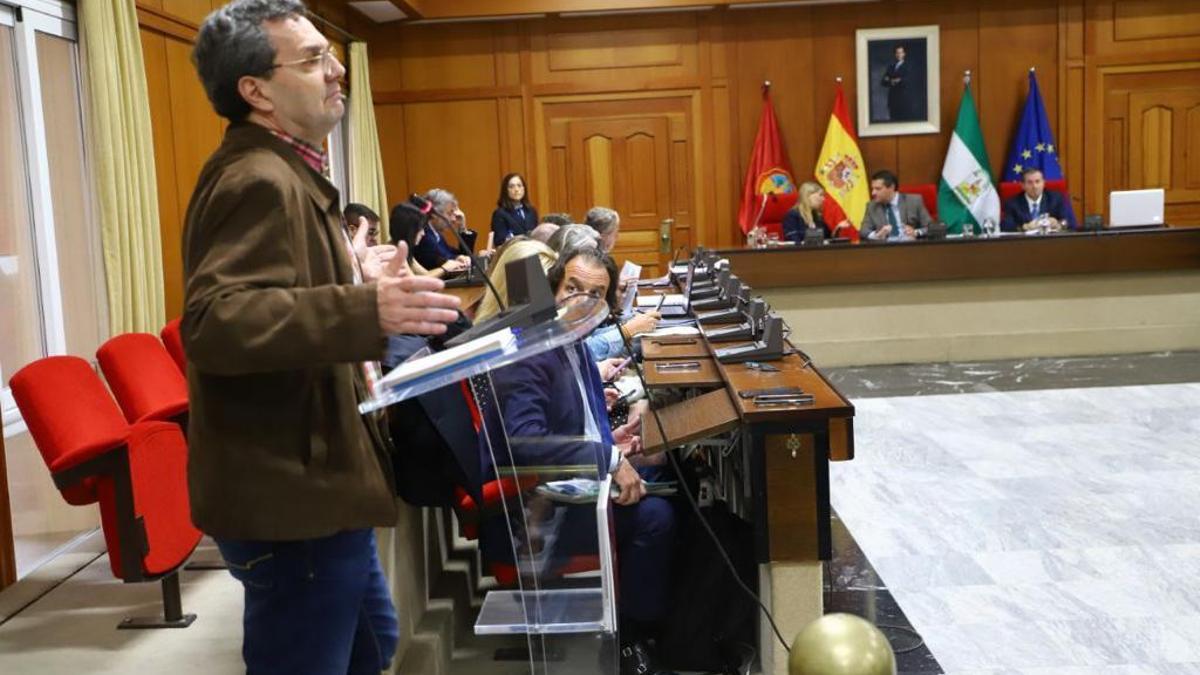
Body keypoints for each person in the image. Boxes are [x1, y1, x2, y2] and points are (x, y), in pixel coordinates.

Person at [184, 2, 461, 673]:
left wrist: (351, 269)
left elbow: (281, 293)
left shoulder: (285, 172)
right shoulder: (258, 179)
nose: (337, 70)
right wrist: (363, 306)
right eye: (312, 59)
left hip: (323, 485)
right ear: (256, 90)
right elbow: (216, 322)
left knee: (373, 645)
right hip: (291, 498)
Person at [483, 246, 675, 675]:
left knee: (679, 473)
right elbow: (523, 444)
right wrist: (605, 456)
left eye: (595, 293)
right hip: (534, 515)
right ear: (553, 290)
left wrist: (614, 441)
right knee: (658, 517)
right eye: (572, 287)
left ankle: (684, 630)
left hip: (572, 488)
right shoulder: (530, 350)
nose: (580, 300)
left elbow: (577, 423)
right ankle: (634, 640)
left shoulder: (573, 343)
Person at [389, 196, 469, 279]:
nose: (423, 233)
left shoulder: (405, 250)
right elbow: (415, 281)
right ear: (410, 230)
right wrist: (445, 268)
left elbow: (425, 274)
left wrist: (448, 266)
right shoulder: (393, 251)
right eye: (420, 229)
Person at [859, 170, 932, 242]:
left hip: (910, 247)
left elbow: (931, 227)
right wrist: (877, 235)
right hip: (885, 250)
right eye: (873, 189)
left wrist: (916, 232)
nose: (873, 193)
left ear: (891, 187)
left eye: (878, 189)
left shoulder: (913, 201)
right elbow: (863, 231)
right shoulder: (872, 206)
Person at [414, 188, 475, 272]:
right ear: (434, 214)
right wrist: (458, 258)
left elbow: (462, 254)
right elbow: (444, 261)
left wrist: (462, 227)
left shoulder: (435, 234)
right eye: (450, 213)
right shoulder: (424, 236)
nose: (454, 219)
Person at [1000, 167, 1076, 233]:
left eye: (1037, 181)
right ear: (1022, 185)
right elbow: (1006, 227)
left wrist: (1058, 224)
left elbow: (1069, 222)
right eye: (1030, 182)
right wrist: (1024, 227)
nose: (1034, 186)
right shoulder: (1012, 203)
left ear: (1043, 183)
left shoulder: (1055, 198)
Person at [489, 172, 539, 245]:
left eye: (519, 186)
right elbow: (500, 241)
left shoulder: (531, 211)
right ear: (506, 190)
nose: (516, 189)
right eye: (511, 186)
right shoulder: (500, 214)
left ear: (524, 189)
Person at [881, 45, 915, 121]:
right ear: (895, 54)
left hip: (903, 100)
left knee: (903, 122)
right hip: (892, 100)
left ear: (904, 54)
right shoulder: (891, 67)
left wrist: (893, 80)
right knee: (893, 121)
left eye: (901, 53)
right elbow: (883, 82)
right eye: (897, 53)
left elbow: (908, 80)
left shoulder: (908, 66)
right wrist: (893, 81)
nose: (899, 55)